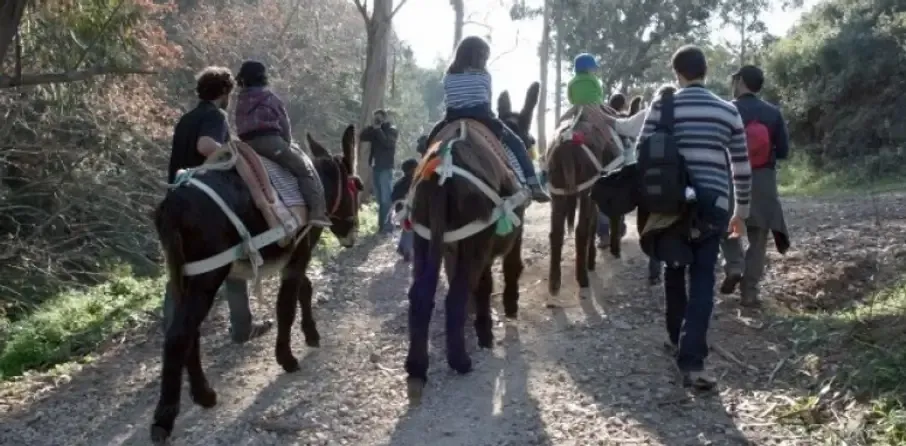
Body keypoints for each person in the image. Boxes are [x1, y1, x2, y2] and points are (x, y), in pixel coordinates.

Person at [637, 45, 751, 389]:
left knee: (675, 267)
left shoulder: (663, 105)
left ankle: (677, 338)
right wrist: (740, 212)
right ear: (705, 71)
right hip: (713, 205)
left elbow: (642, 151)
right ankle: (693, 360)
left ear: (678, 74)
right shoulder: (728, 111)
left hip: (671, 204)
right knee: (703, 277)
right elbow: (742, 168)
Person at [164, 66, 273, 343]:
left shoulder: (187, 118)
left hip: (176, 198)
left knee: (178, 267)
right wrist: (233, 154)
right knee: (232, 260)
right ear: (224, 92)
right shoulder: (216, 115)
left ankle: (172, 331)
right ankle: (241, 327)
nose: (230, 98)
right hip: (204, 203)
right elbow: (204, 145)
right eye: (230, 93)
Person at [426, 35, 550, 203]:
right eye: (484, 56)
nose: (485, 60)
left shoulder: (448, 76)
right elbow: (487, 101)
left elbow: (450, 100)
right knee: (517, 144)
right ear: (478, 56)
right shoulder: (484, 76)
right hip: (482, 117)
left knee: (429, 145)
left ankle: (417, 184)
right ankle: (533, 183)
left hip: (452, 117)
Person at [719, 65, 791, 307]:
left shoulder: (726, 110)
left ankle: (734, 266)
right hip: (763, 180)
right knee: (758, 238)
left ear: (740, 81)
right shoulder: (773, 113)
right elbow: (783, 151)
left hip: (732, 177)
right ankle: (749, 292)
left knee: (729, 230)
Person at [233, 60, 330, 227]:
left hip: (245, 145)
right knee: (302, 169)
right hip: (270, 142)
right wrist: (287, 143)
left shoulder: (241, 100)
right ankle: (317, 212)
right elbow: (285, 124)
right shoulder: (270, 97)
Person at [360, 109, 399, 233]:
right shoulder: (375, 130)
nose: (377, 120)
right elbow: (362, 136)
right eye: (375, 118)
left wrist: (378, 129)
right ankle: (382, 225)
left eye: (379, 118)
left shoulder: (392, 130)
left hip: (386, 168)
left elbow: (388, 143)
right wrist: (372, 126)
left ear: (385, 118)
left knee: (385, 199)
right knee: (379, 198)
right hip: (376, 168)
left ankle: (387, 226)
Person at [391, 158, 418, 261]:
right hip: (409, 211)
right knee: (409, 230)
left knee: (407, 229)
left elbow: (393, 197)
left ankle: (403, 249)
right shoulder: (415, 182)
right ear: (413, 169)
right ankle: (407, 251)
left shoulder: (399, 183)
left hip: (401, 211)